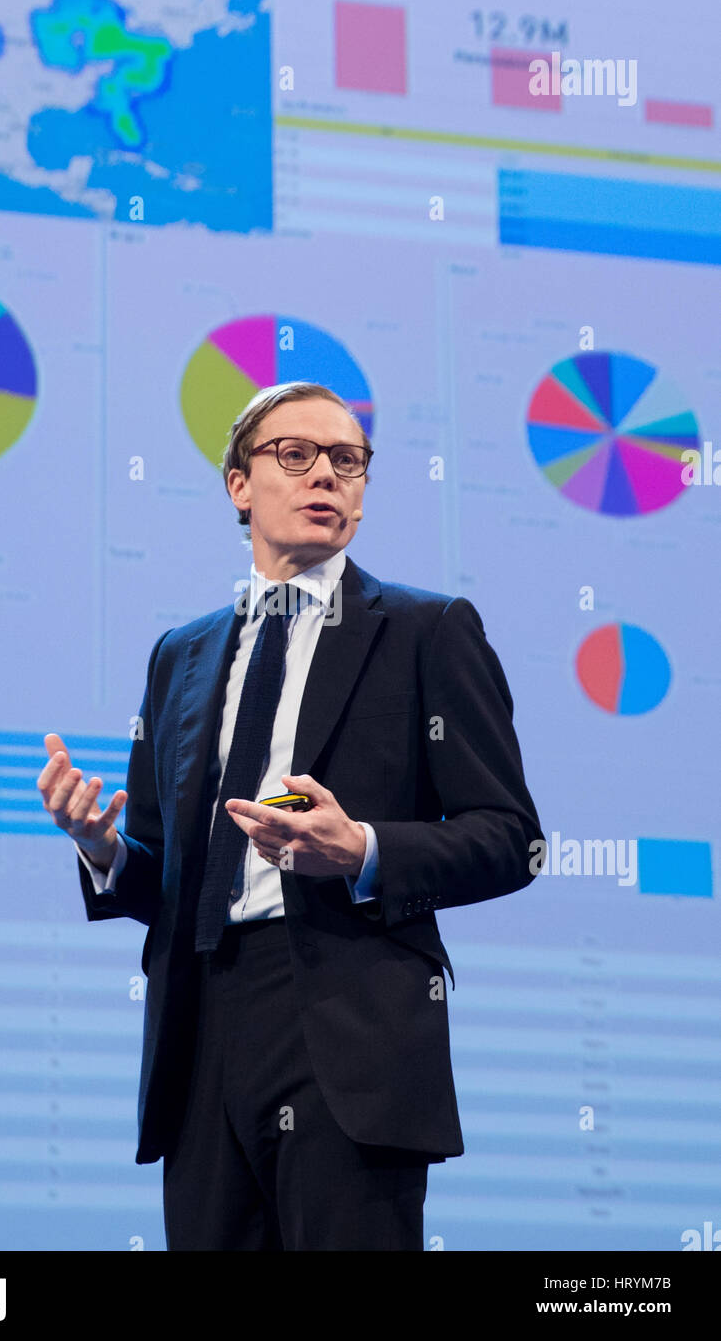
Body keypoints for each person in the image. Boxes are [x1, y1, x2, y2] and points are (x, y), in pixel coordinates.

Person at [37, 379, 544, 1251]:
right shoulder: (182, 655)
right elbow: (168, 869)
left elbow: (510, 839)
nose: (327, 477)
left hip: (345, 1026)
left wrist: (363, 850)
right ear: (239, 485)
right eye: (296, 455)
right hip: (200, 1027)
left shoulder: (428, 630)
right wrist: (106, 849)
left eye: (348, 462)